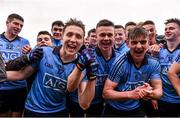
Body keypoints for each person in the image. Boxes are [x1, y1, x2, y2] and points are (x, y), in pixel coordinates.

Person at [5, 18, 95, 117]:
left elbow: (84, 104)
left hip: (58, 111)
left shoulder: (82, 63)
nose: (73, 40)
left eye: (78, 37)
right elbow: (22, 74)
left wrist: (92, 76)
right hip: (33, 109)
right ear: (62, 38)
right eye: (69, 35)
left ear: (82, 41)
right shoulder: (45, 52)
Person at [102, 26, 162, 117]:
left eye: (143, 42)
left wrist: (149, 93)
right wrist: (130, 94)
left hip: (135, 108)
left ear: (148, 43)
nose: (138, 46)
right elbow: (106, 93)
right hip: (114, 109)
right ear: (127, 44)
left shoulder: (154, 63)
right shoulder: (120, 62)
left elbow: (159, 92)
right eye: (134, 42)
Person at [69, 19, 121, 117]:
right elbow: (84, 104)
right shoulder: (89, 57)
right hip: (79, 102)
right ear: (96, 37)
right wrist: (90, 74)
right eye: (102, 35)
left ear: (114, 37)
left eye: (110, 35)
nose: (106, 38)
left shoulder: (120, 58)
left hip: (103, 102)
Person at [0, 13, 30, 117]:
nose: (18, 27)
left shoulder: (25, 42)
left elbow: (28, 63)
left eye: (21, 25)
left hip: (19, 87)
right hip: (2, 87)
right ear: (7, 23)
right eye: (16, 24)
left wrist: (29, 53)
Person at [156, 18, 180, 117]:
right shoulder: (158, 50)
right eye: (166, 29)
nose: (167, 31)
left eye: (171, 28)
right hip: (163, 99)